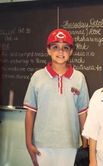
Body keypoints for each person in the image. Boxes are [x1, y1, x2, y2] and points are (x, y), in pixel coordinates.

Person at [23, 28, 89, 166]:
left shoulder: (79, 78)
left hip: (70, 144)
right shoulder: (37, 77)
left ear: (71, 51)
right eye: (55, 47)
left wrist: (86, 144)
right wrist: (28, 143)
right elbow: (30, 112)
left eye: (65, 48)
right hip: (42, 144)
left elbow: (83, 114)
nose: (60, 52)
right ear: (48, 50)